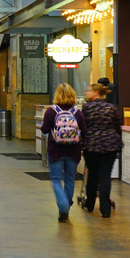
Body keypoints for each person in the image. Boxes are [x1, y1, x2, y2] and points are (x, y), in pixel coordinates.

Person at [42, 83, 87, 222]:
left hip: (56, 151)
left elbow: (44, 129)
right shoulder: (77, 112)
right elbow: (85, 132)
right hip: (73, 151)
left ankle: (63, 207)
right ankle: (66, 205)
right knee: (69, 179)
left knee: (56, 179)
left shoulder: (51, 111)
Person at [81, 83, 123, 218]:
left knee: (92, 175)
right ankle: (105, 209)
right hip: (110, 145)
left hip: (91, 145)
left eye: (89, 91)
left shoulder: (87, 108)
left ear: (96, 93)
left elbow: (83, 126)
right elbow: (117, 126)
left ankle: (90, 204)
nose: (87, 93)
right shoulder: (111, 108)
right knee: (105, 176)